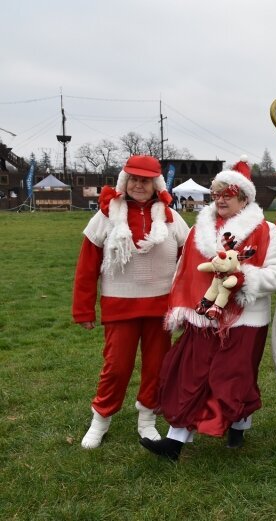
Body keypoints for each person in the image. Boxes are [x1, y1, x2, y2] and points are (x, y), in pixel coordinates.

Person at [140, 157, 276, 460]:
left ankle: (238, 425)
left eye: (227, 195)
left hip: (246, 319)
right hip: (203, 314)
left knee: (234, 378)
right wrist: (183, 305)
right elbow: (184, 268)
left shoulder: (265, 230)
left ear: (244, 199)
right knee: (189, 375)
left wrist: (243, 278)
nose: (220, 200)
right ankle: (174, 442)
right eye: (216, 195)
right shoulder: (199, 230)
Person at [73, 155, 189, 449]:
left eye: (145, 180)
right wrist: (84, 309)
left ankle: (147, 420)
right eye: (134, 179)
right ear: (125, 182)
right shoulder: (105, 216)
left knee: (157, 367)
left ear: (155, 184)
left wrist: (188, 305)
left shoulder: (173, 219)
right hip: (119, 306)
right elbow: (87, 266)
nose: (139, 185)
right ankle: (100, 419)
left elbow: (189, 263)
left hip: (160, 308)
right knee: (116, 367)